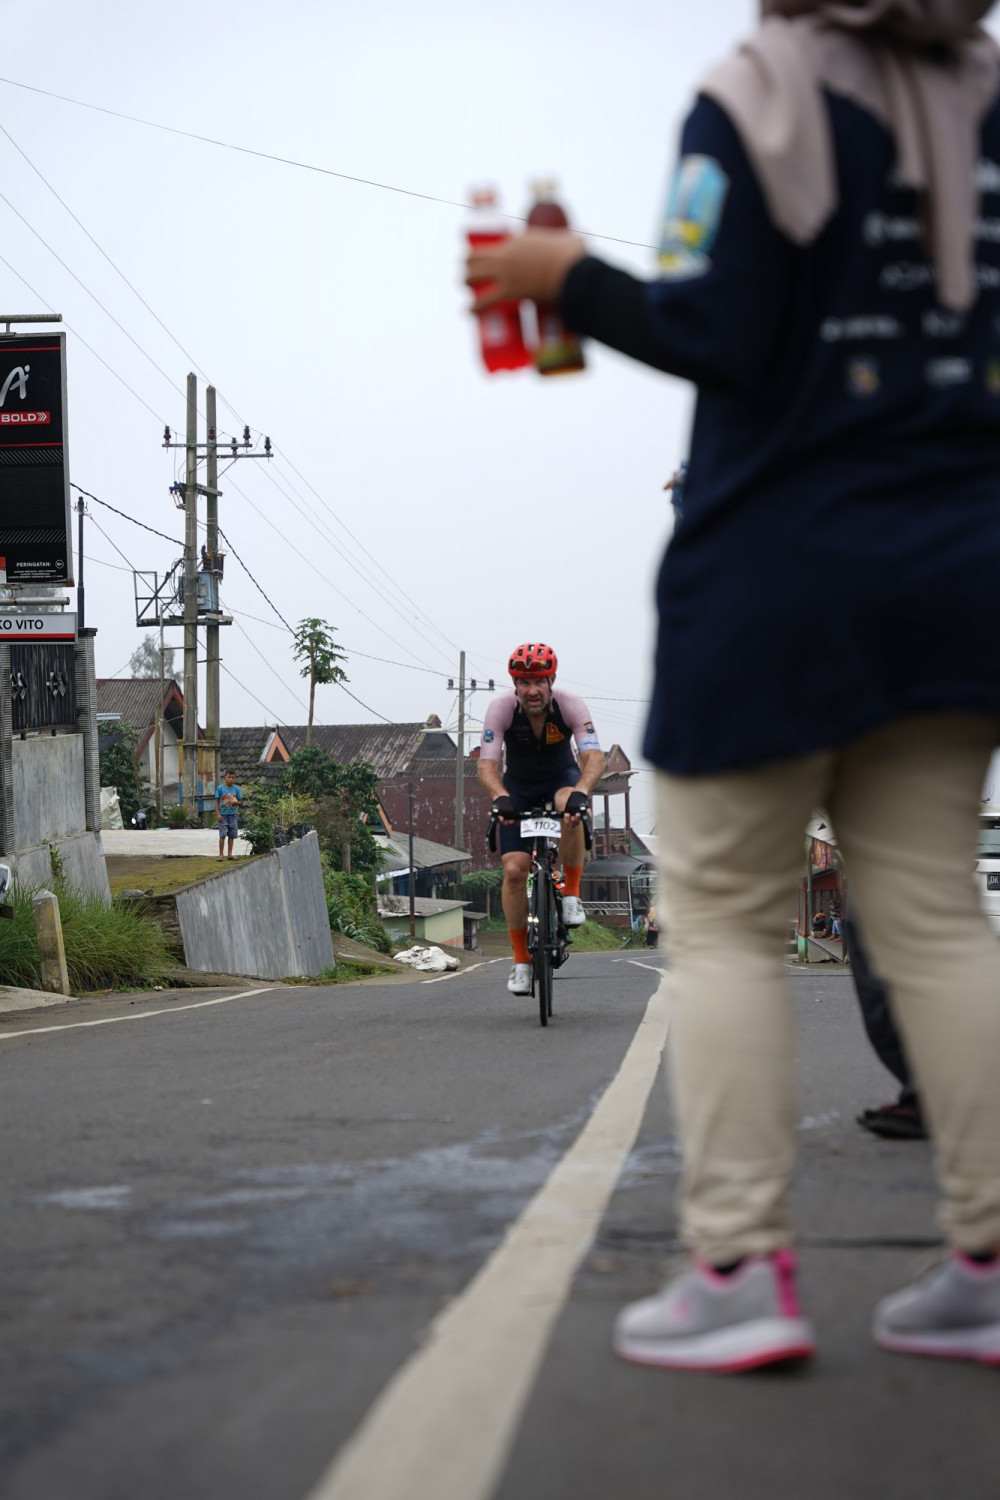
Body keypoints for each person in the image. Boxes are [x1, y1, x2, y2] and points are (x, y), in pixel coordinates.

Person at [467, 1, 1000, 1372]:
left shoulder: (758, 92)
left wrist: (563, 273)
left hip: (779, 578)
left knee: (720, 927)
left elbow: (719, 326)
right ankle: (989, 1266)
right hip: (960, 572)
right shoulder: (985, 98)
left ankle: (738, 1270)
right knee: (937, 917)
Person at [477, 643, 605, 995]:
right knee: (514, 871)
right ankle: (521, 961)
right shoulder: (501, 709)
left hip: (560, 779)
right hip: (518, 788)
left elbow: (594, 756)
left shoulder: (570, 705)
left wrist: (582, 792)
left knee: (570, 807)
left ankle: (571, 894)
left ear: (551, 681)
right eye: (524, 683)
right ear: (515, 685)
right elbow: (487, 765)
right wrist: (500, 797)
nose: (532, 690)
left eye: (539, 682)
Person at [215, 770, 243, 861]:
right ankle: (221, 854)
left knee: (231, 835)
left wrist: (236, 803)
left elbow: (240, 802)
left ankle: (230, 854)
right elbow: (216, 802)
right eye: (229, 777)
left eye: (233, 778)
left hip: (233, 815)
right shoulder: (220, 789)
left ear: (235, 779)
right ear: (225, 778)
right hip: (223, 815)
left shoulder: (236, 789)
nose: (231, 779)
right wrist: (218, 814)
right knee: (222, 835)